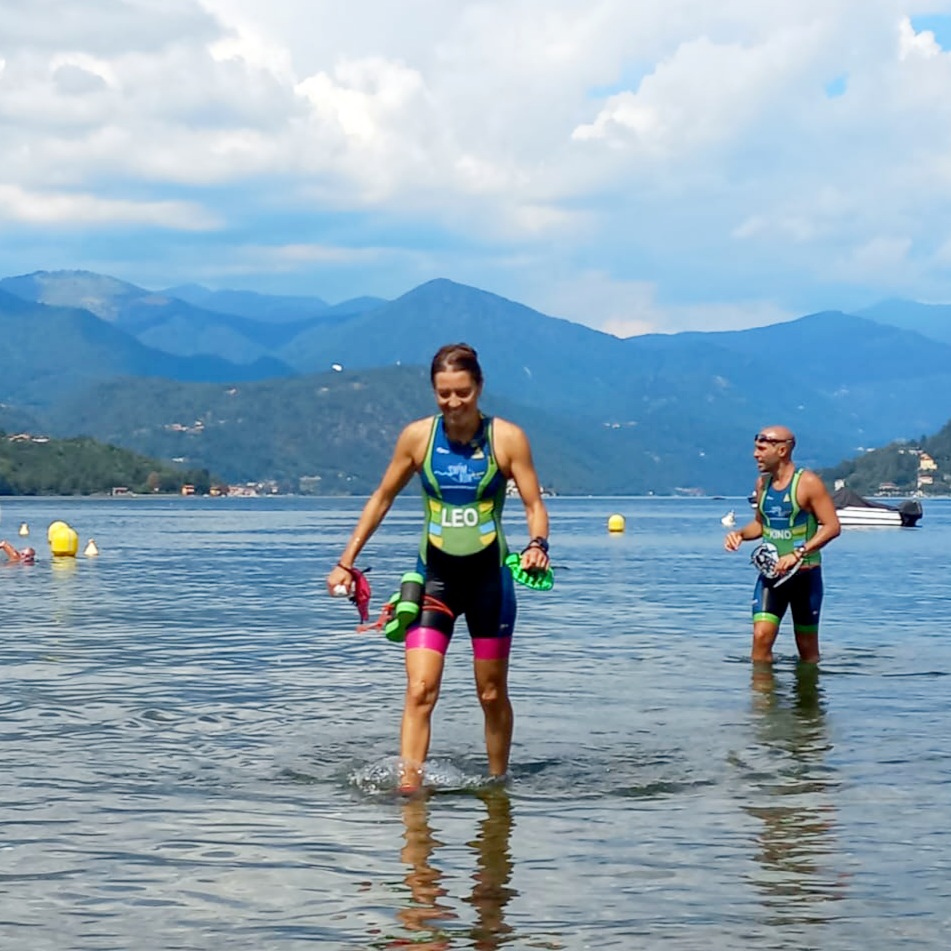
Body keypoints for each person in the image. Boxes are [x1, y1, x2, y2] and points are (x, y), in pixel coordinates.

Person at [326, 343, 550, 792]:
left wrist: (537, 545)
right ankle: (410, 793)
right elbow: (381, 498)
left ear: (479, 387)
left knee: (490, 694)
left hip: (490, 582)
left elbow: (533, 504)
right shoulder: (417, 439)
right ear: (433, 391)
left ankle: (496, 787)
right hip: (434, 580)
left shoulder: (506, 439)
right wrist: (346, 561)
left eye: (462, 393)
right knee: (420, 690)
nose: (453, 403)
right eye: (444, 393)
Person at [724, 426, 840, 665]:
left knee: (807, 651)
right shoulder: (762, 484)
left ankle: (808, 700)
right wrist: (740, 534)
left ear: (782, 450)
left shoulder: (807, 483)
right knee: (761, 637)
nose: (755, 455)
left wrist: (798, 553)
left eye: (761, 449)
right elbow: (760, 525)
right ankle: (762, 700)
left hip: (805, 577)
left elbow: (832, 526)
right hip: (771, 577)